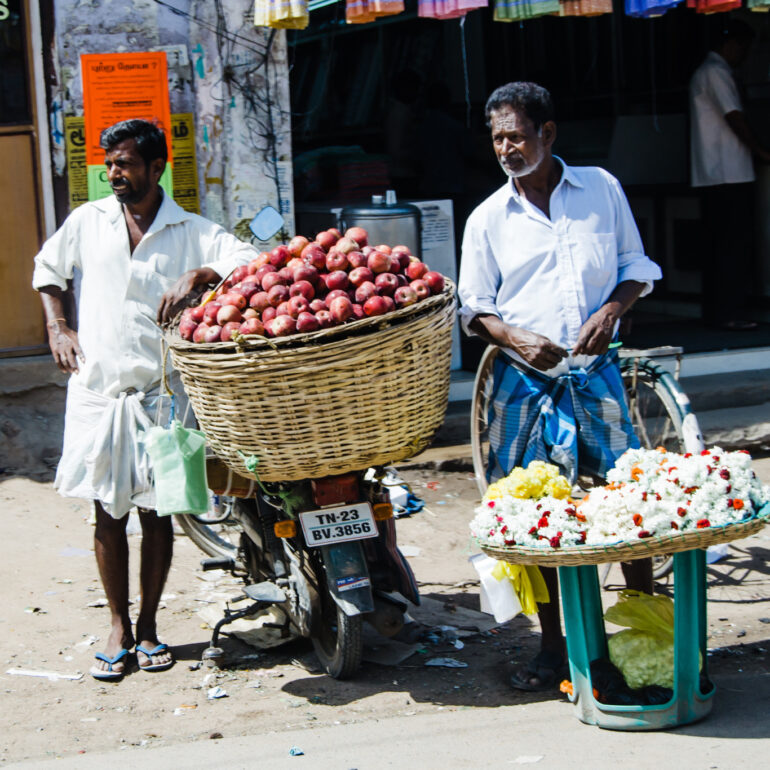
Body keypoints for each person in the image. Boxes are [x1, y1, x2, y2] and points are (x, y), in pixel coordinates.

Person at [32, 119, 257, 681]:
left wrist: (204, 274)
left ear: (156, 168)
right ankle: (117, 626)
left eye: (126, 164)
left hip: (163, 393)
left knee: (158, 513)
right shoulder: (89, 220)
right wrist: (59, 328)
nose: (115, 175)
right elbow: (48, 271)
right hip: (99, 390)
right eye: (110, 164)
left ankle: (151, 626)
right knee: (106, 512)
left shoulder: (191, 230)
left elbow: (251, 260)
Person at [458, 82, 662, 691]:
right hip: (523, 380)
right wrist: (514, 337)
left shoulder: (601, 188)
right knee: (533, 515)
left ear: (548, 134)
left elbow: (635, 267)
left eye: (516, 135)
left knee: (627, 501)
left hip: (594, 372)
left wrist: (613, 312)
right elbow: (475, 307)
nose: (506, 148)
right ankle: (552, 645)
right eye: (497, 138)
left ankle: (642, 624)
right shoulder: (488, 218)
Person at [689, 19, 770, 331]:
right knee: (732, 247)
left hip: (714, 173)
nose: (745, 54)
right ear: (731, 43)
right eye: (744, 47)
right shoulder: (717, 72)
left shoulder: (706, 71)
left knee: (719, 246)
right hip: (728, 172)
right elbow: (734, 116)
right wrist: (761, 151)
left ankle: (718, 312)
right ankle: (729, 314)